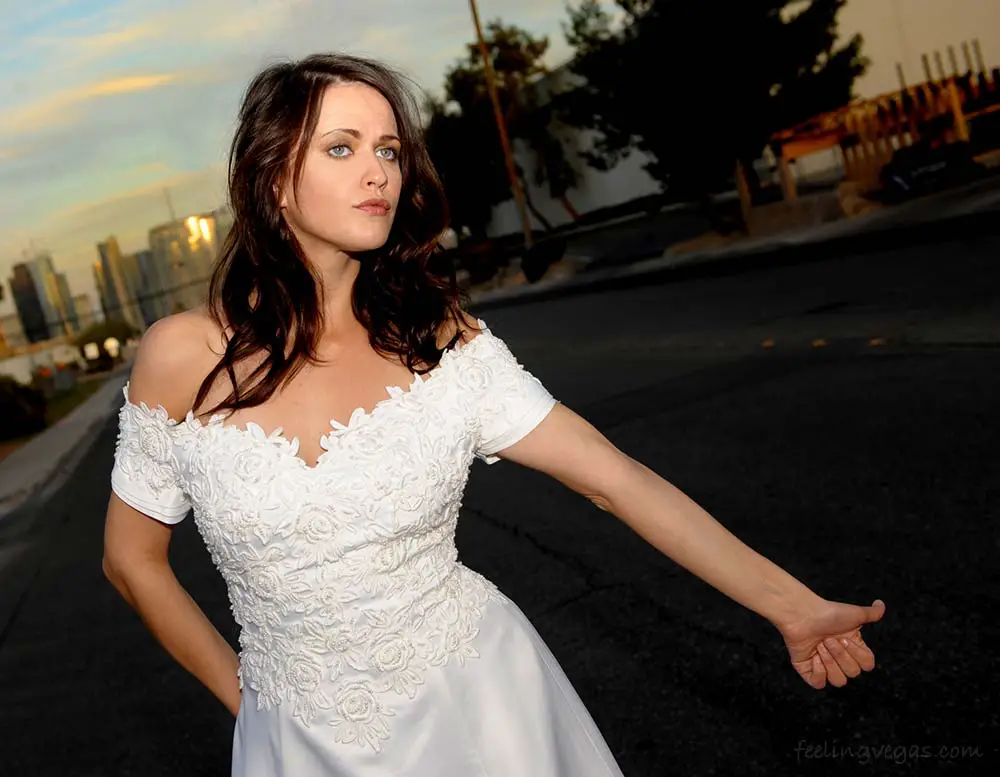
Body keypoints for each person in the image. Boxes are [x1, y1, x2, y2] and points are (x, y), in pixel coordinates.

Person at [102, 53, 886, 777]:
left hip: (483, 711)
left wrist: (791, 607)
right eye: (341, 148)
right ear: (274, 178)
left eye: (389, 149)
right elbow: (132, 560)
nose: (377, 171)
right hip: (291, 739)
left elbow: (616, 479)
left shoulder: (440, 342)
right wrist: (251, 709)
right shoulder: (181, 356)